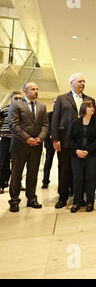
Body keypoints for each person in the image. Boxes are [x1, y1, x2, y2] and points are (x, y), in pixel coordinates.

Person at [52, 73, 95, 208]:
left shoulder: (89, 100)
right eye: (79, 81)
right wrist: (55, 139)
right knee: (64, 170)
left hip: (83, 141)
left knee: (80, 171)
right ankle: (63, 197)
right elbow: (55, 119)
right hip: (65, 140)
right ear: (71, 83)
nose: (82, 83)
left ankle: (79, 197)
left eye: (84, 81)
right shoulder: (61, 99)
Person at [8, 83, 48, 212]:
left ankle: (31, 198)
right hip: (20, 146)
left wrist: (40, 138)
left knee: (33, 174)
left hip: (36, 146)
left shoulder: (42, 106)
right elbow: (13, 125)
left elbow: (45, 126)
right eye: (33, 89)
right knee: (16, 174)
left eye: (37, 89)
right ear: (25, 91)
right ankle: (14, 200)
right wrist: (27, 138)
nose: (36, 91)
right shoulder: (16, 104)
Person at [68, 100, 96, 213]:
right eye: (89, 107)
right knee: (77, 179)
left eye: (93, 107)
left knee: (91, 179)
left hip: (91, 154)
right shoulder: (75, 122)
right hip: (76, 155)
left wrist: (87, 151)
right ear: (83, 109)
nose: (92, 109)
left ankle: (90, 202)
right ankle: (76, 202)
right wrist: (77, 150)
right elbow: (70, 139)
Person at [0, 91, 22, 194]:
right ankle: (2, 183)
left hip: (18, 140)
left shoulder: (23, 110)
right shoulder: (4, 109)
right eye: (16, 98)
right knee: (3, 162)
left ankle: (17, 183)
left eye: (19, 98)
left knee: (17, 164)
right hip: (6, 139)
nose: (18, 100)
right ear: (11, 99)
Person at [42, 99, 56, 189]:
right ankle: (45, 181)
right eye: (54, 102)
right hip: (49, 142)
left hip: (61, 142)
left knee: (63, 164)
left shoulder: (64, 115)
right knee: (48, 162)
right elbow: (45, 128)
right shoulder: (48, 115)